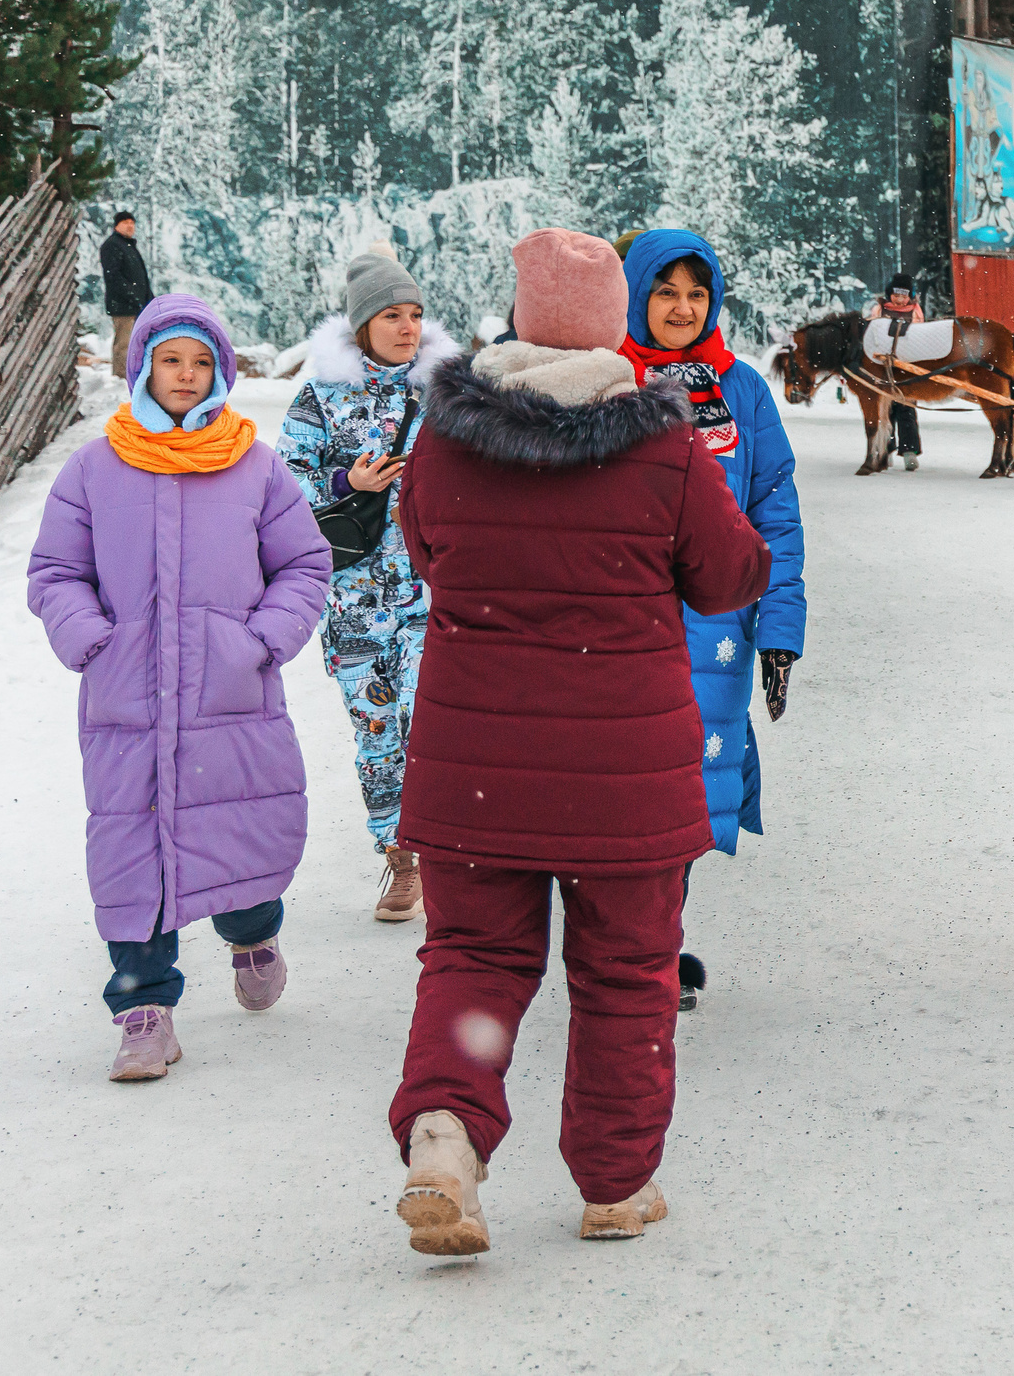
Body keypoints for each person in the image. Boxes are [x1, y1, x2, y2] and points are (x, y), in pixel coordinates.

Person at [388, 227, 770, 1255]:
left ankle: (445, 1138)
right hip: (622, 778)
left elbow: (424, 550)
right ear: (614, 324)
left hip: (476, 773)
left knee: (470, 958)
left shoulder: (445, 439)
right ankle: (613, 1182)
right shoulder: (662, 443)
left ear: (520, 317)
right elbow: (729, 578)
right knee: (626, 971)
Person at [28, 295, 332, 1081]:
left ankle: (254, 930)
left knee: (238, 844)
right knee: (130, 850)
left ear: (222, 373)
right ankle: (143, 1007)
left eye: (201, 363)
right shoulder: (95, 467)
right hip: (126, 702)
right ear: (144, 368)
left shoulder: (255, 464)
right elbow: (56, 570)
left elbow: (304, 562)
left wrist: (263, 639)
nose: (186, 376)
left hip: (229, 695)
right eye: (172, 360)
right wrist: (91, 637)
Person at [620, 228, 809, 1013]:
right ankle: (625, 944)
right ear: (636, 294)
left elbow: (774, 509)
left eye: (697, 294)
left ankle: (651, 947)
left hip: (715, 625)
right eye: (666, 292)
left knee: (688, 789)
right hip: (620, 616)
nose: (682, 307)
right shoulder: (605, 381)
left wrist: (780, 629)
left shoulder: (741, 391)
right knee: (619, 790)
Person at [281, 245, 460, 920]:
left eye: (415, 313)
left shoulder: (444, 390)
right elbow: (281, 480)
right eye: (391, 314)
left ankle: (442, 855)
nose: (408, 326)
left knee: (432, 727)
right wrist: (343, 481)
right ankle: (399, 857)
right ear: (362, 323)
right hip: (353, 602)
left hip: (429, 594)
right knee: (377, 731)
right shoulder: (321, 394)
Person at [864, 273, 928, 471]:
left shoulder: (915, 311)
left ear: (910, 296)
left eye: (904, 295)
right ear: (890, 294)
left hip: (906, 369)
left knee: (907, 410)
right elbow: (871, 334)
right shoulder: (879, 310)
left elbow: (920, 336)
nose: (900, 299)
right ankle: (887, 449)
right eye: (896, 295)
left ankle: (909, 451)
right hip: (883, 369)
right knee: (885, 411)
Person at [99, 210, 154, 379]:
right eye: (125, 223)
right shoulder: (112, 245)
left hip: (137, 304)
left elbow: (140, 276)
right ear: (117, 225)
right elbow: (113, 276)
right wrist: (131, 295)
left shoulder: (129, 245)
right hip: (123, 305)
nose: (130, 226)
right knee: (124, 343)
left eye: (132, 222)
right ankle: (121, 376)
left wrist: (148, 298)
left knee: (136, 342)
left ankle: (133, 374)